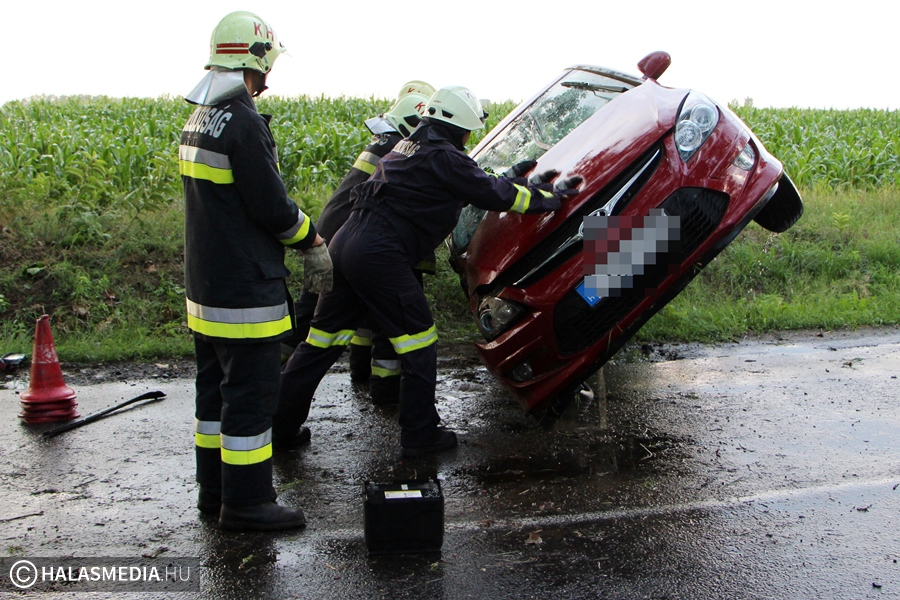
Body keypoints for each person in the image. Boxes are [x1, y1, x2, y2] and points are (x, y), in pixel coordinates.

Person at [273, 85, 581, 457]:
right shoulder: (444, 156)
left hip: (346, 244)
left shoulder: (411, 147)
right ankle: (420, 434)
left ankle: (280, 427)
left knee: (320, 343)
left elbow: (471, 185)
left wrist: (518, 179)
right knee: (418, 340)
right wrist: (550, 197)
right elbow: (497, 195)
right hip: (378, 253)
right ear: (463, 125)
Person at [179, 11, 333, 531]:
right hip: (245, 292)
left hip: (206, 287)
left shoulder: (201, 116)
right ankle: (247, 504)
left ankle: (214, 492)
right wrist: (311, 239)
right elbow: (271, 207)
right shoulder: (242, 120)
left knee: (212, 397)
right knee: (249, 397)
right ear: (258, 59)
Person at [282, 82, 435, 410]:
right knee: (381, 320)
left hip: (329, 239)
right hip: (357, 241)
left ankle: (276, 386)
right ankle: (385, 393)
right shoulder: (401, 150)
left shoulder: (382, 142)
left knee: (313, 320)